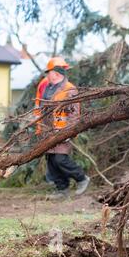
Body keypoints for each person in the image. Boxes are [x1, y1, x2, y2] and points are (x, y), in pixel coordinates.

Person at [34, 57, 90, 199]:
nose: (47, 75)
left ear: (57, 73)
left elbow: (74, 112)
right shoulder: (46, 86)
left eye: (49, 72)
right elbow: (39, 107)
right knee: (52, 161)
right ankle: (62, 190)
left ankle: (82, 178)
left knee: (60, 159)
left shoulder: (69, 89)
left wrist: (70, 131)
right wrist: (39, 126)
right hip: (48, 131)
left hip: (62, 131)